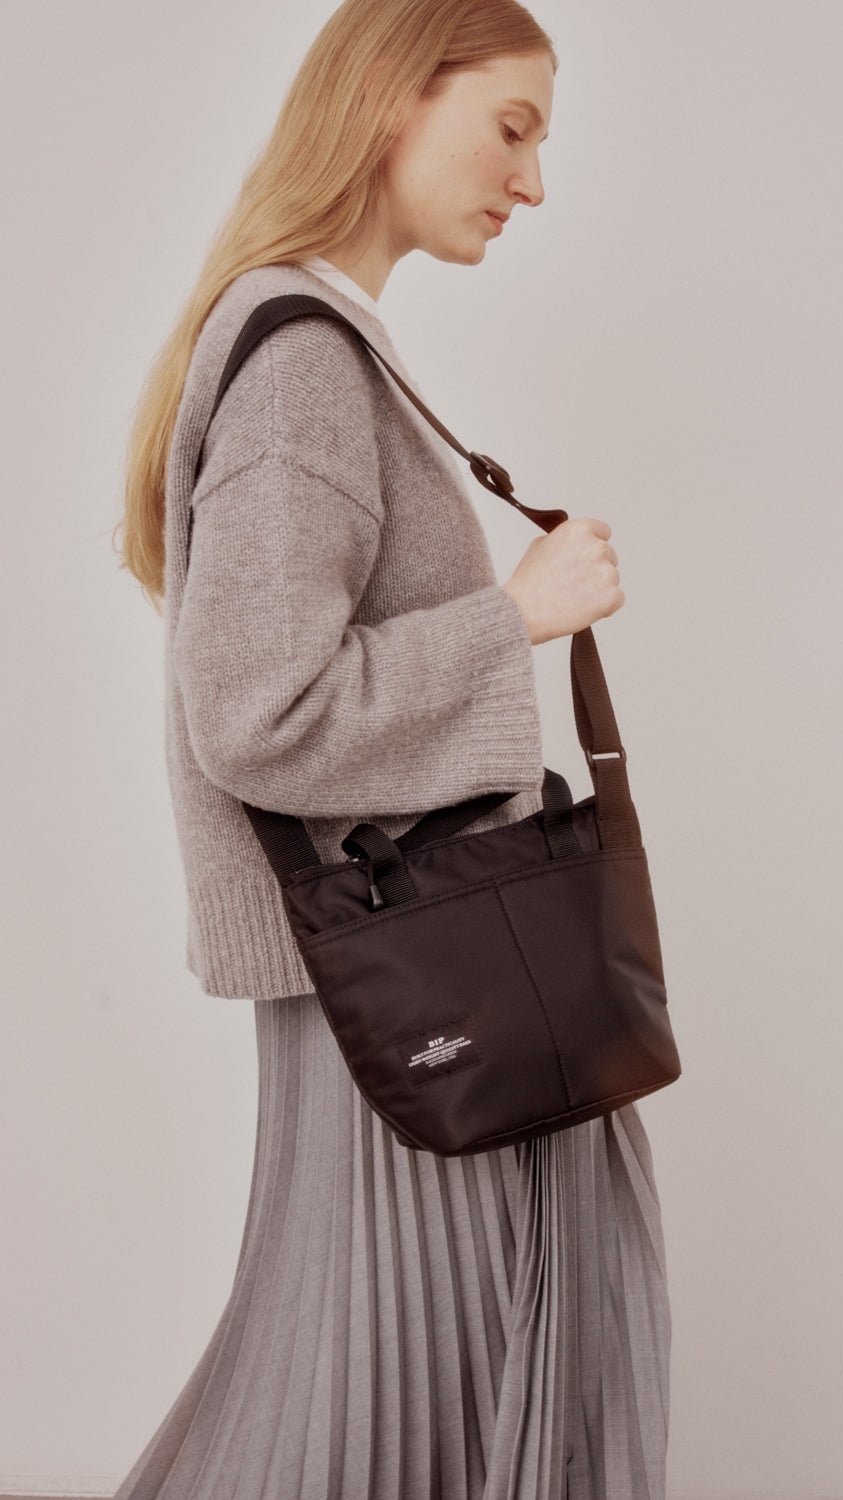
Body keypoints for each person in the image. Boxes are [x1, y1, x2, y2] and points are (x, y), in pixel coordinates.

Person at [112, 1, 671, 1496]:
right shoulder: (301, 361)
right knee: (379, 1423)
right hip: (413, 1004)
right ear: (388, 97)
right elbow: (258, 715)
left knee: (371, 1404)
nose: (534, 182)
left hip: (407, 992)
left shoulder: (314, 342)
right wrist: (516, 617)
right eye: (512, 126)